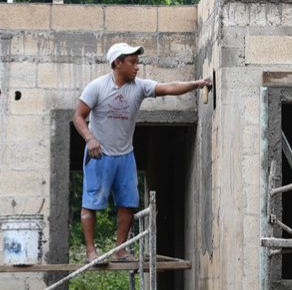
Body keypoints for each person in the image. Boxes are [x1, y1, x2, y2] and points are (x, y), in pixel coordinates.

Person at [73, 42, 212, 263]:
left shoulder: (139, 87)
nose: (137, 67)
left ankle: (120, 250)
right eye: (132, 62)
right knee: (92, 202)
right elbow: (78, 116)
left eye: (138, 62)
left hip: (125, 155)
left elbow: (169, 87)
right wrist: (90, 139)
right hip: (99, 154)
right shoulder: (97, 87)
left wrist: (198, 84)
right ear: (117, 63)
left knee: (127, 203)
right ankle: (91, 252)